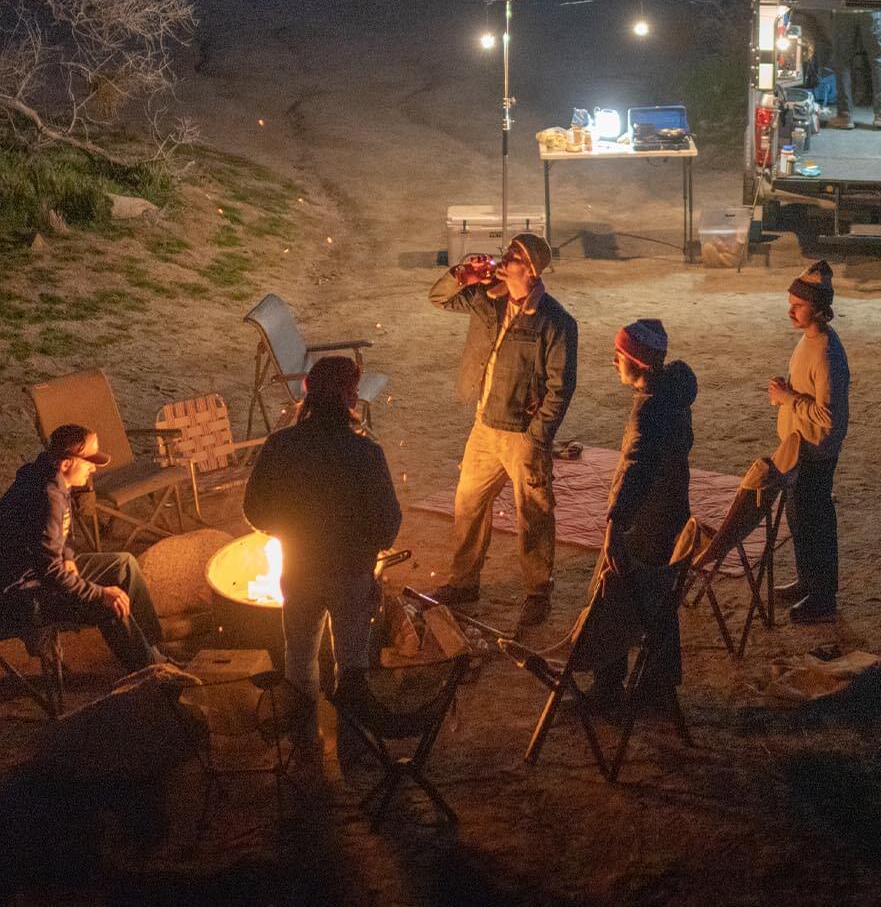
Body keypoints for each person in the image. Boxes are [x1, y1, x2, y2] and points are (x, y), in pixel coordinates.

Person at [243, 354, 402, 760]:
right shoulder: (366, 452)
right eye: (354, 389)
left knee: (298, 659)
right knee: (352, 664)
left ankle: (304, 744)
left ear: (308, 394)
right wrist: (368, 549)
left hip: (299, 568)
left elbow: (254, 509)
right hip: (351, 574)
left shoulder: (280, 445)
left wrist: (287, 530)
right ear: (348, 398)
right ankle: (353, 748)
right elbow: (388, 521)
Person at [428, 231, 578, 632]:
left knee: (533, 514)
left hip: (521, 434)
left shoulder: (555, 321)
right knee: (468, 504)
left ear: (529, 270)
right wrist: (462, 275)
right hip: (485, 426)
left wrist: (537, 435)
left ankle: (537, 592)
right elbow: (438, 298)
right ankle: (464, 582)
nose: (502, 258)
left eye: (512, 255)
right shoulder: (487, 298)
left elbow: (561, 387)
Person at [586, 319, 697, 707]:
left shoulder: (650, 410)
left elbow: (637, 467)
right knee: (658, 599)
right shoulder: (671, 395)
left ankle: (606, 688)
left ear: (637, 361)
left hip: (646, 520)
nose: (613, 361)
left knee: (615, 595)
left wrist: (616, 524)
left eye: (619, 355)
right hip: (669, 512)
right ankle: (658, 685)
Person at [0, 424, 165, 672]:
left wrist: (67, 556)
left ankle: (154, 650)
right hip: (19, 595)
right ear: (66, 463)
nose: (94, 467)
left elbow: (54, 536)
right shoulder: (48, 496)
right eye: (89, 460)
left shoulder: (49, 474)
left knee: (124, 564)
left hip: (41, 572)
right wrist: (100, 593)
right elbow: (51, 573)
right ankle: (151, 671)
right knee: (110, 605)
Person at [768, 260, 849, 623]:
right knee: (799, 517)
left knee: (815, 521)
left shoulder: (827, 353)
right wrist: (787, 394)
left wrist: (789, 399)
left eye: (798, 305)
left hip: (816, 452)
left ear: (817, 308)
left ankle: (823, 597)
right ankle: (808, 582)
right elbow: (806, 394)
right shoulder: (809, 341)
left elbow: (828, 416)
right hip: (801, 448)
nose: (791, 311)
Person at [829, 9, 881, 130]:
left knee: (842, 61)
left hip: (844, 7)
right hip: (872, 7)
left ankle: (844, 116)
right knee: (879, 60)